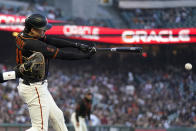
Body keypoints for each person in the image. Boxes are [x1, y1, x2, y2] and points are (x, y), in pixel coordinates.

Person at [15, 13, 96, 131]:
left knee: (57, 116)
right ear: (32, 30)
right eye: (42, 30)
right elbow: (61, 54)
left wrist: (77, 45)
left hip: (36, 86)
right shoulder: (33, 44)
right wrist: (84, 56)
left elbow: (51, 40)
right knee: (40, 128)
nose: (44, 32)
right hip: (34, 87)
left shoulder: (23, 35)